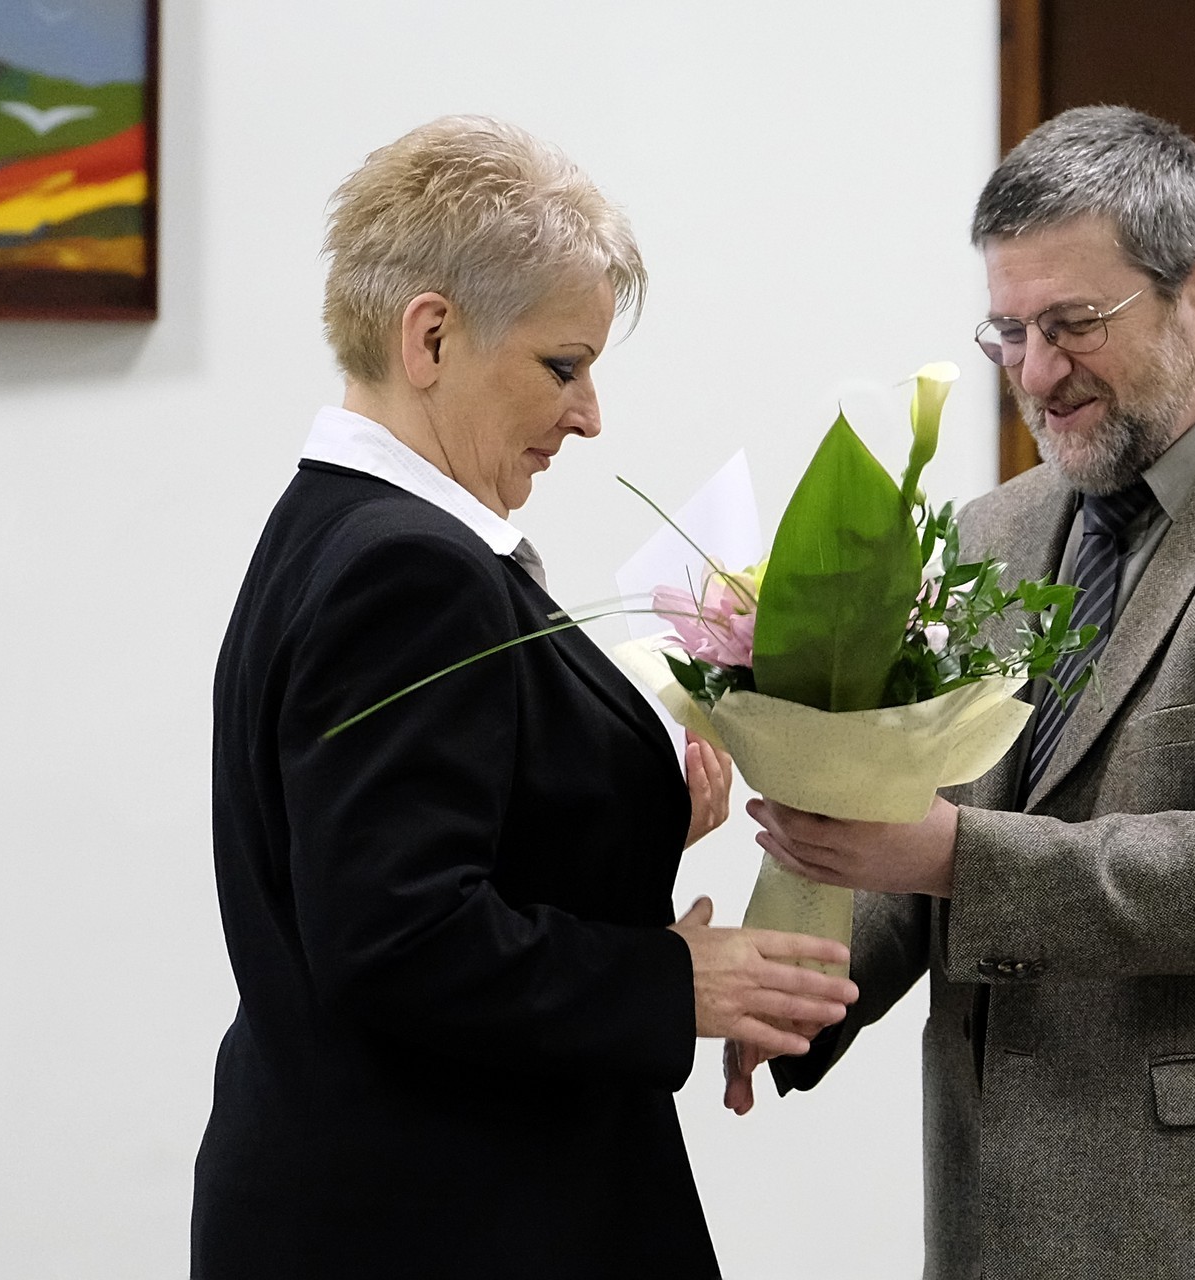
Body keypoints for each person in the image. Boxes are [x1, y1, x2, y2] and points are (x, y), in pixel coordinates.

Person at [733, 105, 1195, 1279]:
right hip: (990, 1205)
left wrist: (953, 856)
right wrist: (785, 985)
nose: (1036, 373)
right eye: (1008, 332)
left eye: (1074, 325)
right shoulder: (993, 531)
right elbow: (922, 822)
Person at [191, 116, 857, 1279]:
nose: (590, 412)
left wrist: (632, 813)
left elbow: (398, 851)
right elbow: (395, 938)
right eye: (563, 365)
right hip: (440, 1218)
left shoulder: (335, 523)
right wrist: (675, 981)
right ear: (432, 336)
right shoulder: (411, 568)